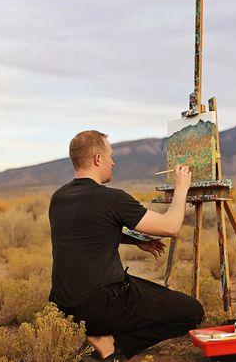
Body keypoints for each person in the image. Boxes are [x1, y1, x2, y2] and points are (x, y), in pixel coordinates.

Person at [48, 130, 204, 361]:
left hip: (63, 306)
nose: (113, 162)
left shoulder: (59, 197)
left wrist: (135, 239)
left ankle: (100, 338)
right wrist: (181, 188)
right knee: (192, 312)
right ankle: (112, 345)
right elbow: (170, 227)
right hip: (103, 303)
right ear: (97, 159)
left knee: (152, 293)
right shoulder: (112, 199)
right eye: (110, 155)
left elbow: (89, 231)